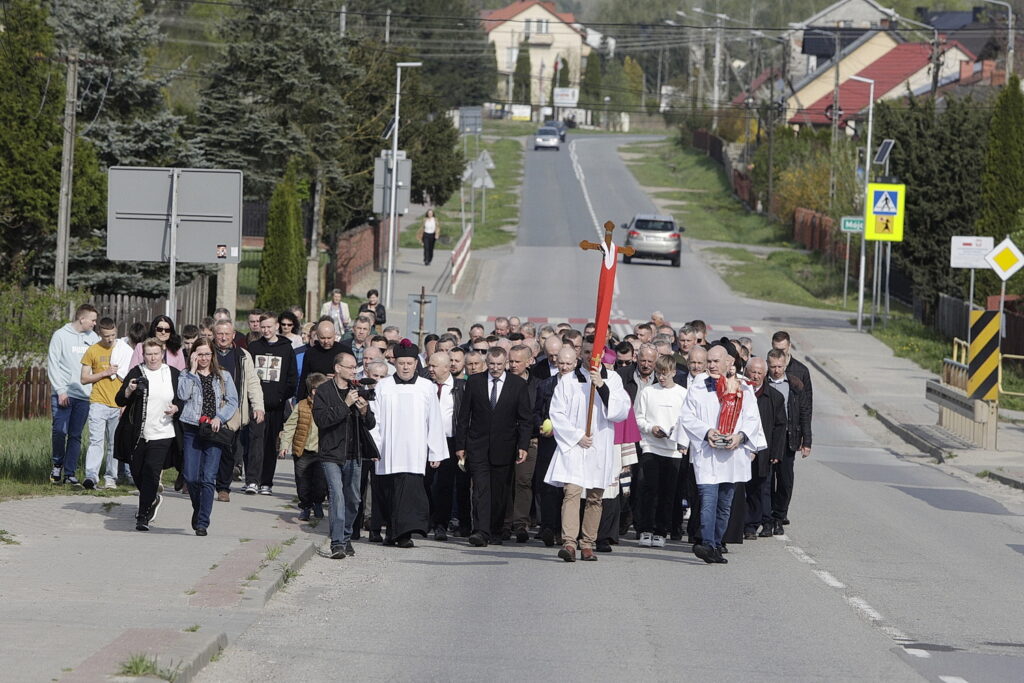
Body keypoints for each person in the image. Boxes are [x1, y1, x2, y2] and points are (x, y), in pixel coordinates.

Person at [678, 345, 765, 564]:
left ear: (729, 363)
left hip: (732, 455)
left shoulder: (744, 388)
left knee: (725, 503)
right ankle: (707, 544)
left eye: (717, 361)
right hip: (707, 454)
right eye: (709, 361)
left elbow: (753, 418)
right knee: (708, 499)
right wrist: (706, 432)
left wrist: (741, 437)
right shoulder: (698, 386)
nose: (712, 365)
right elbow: (687, 416)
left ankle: (716, 543)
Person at [545, 346, 631, 562]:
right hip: (574, 446)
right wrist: (576, 436)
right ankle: (569, 542)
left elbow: (621, 410)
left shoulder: (612, 378)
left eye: (595, 353)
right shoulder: (567, 380)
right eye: (585, 352)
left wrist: (601, 386)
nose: (590, 357)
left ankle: (587, 543)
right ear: (580, 355)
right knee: (572, 492)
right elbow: (556, 413)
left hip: (599, 445)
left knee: (595, 496)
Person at [372, 340, 448, 547]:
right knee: (389, 493)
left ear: (416, 363)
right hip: (389, 449)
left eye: (409, 363)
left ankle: (403, 534)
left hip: (414, 450)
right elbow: (375, 419)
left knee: (410, 495)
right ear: (394, 363)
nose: (405, 367)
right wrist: (375, 446)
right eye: (401, 363)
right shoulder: (383, 386)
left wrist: (435, 452)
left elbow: (434, 420)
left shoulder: (426, 387)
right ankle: (392, 532)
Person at [455, 347, 532, 548]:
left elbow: (525, 419)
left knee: (500, 492)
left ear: (505, 363)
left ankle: (496, 530)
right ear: (486, 363)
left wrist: (523, 445)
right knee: (480, 490)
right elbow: (464, 417)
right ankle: (480, 531)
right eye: (492, 364)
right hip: (477, 445)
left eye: (499, 364)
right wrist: (460, 445)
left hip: (505, 447)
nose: (495, 368)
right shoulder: (475, 382)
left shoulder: (518, 385)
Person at [114, 338, 185, 531]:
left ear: (162, 354)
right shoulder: (137, 372)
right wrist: (128, 390)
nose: (152, 358)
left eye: (156, 354)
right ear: (143, 355)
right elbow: (119, 400)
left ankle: (142, 515)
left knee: (152, 472)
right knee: (137, 472)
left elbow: (184, 397)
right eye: (148, 354)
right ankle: (152, 498)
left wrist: (177, 407)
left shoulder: (173, 374)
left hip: (164, 432)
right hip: (139, 433)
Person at [313, 353, 375, 558]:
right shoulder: (324, 391)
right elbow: (322, 420)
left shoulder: (356, 390)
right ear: (337, 368)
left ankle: (346, 536)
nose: (353, 370)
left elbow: (371, 424)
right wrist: (345, 404)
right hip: (331, 453)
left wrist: (365, 411)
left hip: (354, 453)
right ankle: (337, 543)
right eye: (349, 367)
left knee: (354, 499)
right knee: (337, 497)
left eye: (354, 367)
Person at [177, 338, 239, 536]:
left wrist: (219, 418)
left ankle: (203, 522)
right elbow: (183, 395)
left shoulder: (223, 376)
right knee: (191, 476)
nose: (203, 358)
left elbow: (232, 401)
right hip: (192, 428)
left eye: (207, 354)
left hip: (214, 431)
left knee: (208, 478)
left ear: (212, 355)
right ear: (193, 355)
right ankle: (199, 508)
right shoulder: (186, 374)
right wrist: (193, 370)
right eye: (199, 354)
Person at [634, 354, 688, 548]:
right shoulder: (648, 392)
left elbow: (686, 421)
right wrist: (651, 428)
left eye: (665, 374)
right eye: (659, 374)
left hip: (672, 450)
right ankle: (645, 529)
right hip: (651, 447)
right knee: (649, 490)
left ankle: (661, 530)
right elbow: (638, 418)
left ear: (673, 372)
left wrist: (678, 436)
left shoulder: (682, 393)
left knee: (668, 493)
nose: (661, 378)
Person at [211, 320, 265, 503]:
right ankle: (202, 482)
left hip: (233, 410)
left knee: (228, 450)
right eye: (220, 334)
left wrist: (258, 406)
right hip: (210, 408)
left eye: (227, 334)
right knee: (207, 447)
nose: (223, 337)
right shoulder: (207, 352)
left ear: (234, 335)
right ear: (214, 335)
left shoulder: (243, 355)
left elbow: (252, 382)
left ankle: (223, 488)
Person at [48, 303, 99, 485]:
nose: (94, 323)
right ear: (82, 318)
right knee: (59, 431)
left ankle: (69, 474)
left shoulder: (93, 338)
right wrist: (61, 391)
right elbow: (53, 364)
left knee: (76, 435)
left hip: (84, 396)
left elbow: (97, 364)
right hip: (64, 394)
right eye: (92, 320)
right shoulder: (60, 336)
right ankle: (57, 465)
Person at [247, 313, 297, 495]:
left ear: (276, 326)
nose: (266, 330)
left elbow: (292, 378)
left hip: (276, 405)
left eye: (269, 326)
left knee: (270, 444)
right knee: (255, 441)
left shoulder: (286, 348)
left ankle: (266, 481)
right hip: (257, 405)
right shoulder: (254, 347)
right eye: (263, 327)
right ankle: (252, 480)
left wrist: (281, 397)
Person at [767, 348, 812, 534]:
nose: (776, 370)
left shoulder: (794, 385)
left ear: (785, 364)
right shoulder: (762, 383)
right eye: (773, 366)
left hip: (787, 438)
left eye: (779, 366)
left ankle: (779, 516)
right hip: (768, 439)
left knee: (785, 480)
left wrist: (806, 440)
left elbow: (804, 413)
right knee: (767, 480)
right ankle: (767, 518)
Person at [744, 357, 786, 540]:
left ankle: (759, 523)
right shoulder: (741, 392)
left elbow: (779, 427)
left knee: (762, 487)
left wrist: (776, 452)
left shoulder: (775, 398)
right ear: (746, 372)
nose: (756, 376)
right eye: (753, 372)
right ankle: (745, 523)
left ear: (765, 374)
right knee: (743, 487)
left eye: (759, 373)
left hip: (764, 451)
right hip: (742, 448)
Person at [425, 351, 466, 541]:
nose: (430, 369)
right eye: (429, 365)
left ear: (447, 367)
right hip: (425, 441)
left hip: (450, 441)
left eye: (434, 366)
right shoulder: (424, 385)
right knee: (425, 483)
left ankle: (441, 523)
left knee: (445, 485)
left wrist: (462, 443)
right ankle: (426, 521)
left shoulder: (460, 387)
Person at [80, 317, 123, 490]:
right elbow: (83, 378)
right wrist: (105, 372)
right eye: (106, 336)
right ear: (100, 334)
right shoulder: (92, 351)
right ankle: (91, 476)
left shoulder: (122, 350)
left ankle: (111, 477)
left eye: (113, 335)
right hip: (98, 402)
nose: (110, 339)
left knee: (114, 443)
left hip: (118, 403)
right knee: (96, 441)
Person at [281, 373, 329, 523]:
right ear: (314, 391)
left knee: (320, 483)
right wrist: (284, 445)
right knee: (303, 482)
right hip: (303, 451)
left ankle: (318, 503)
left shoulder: (329, 405)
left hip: (321, 452)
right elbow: (290, 426)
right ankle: (305, 507)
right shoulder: (301, 405)